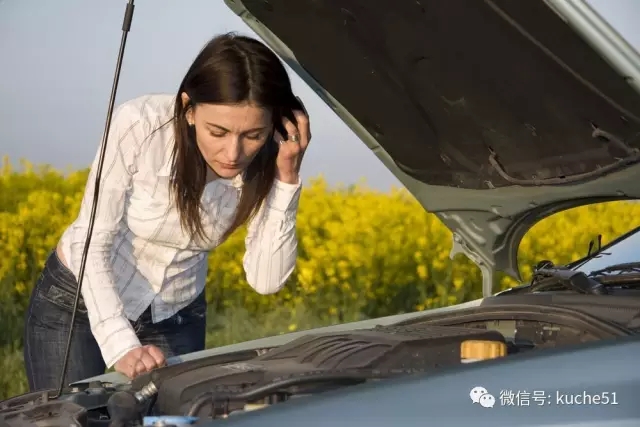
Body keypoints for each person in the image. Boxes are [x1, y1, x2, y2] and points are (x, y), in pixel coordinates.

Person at [23, 32, 311, 391]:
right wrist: (121, 344)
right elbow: (90, 241)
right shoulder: (140, 125)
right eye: (217, 131)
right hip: (77, 304)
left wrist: (287, 177)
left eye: (253, 135)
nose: (233, 153)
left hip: (175, 317)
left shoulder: (270, 159)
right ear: (189, 109)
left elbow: (266, 281)